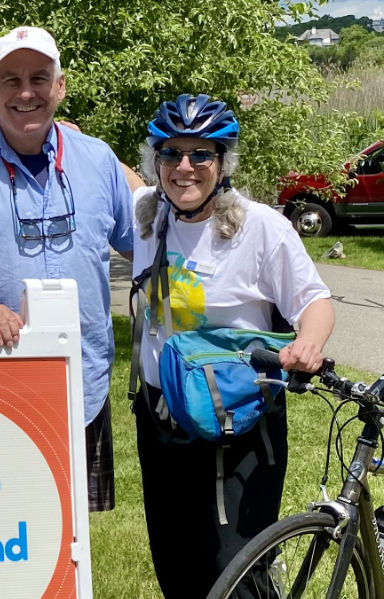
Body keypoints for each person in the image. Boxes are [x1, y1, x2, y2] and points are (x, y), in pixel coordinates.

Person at [131, 93, 334, 598]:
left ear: (223, 162)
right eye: (172, 152)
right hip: (160, 418)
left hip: (236, 422)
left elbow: (315, 301)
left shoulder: (259, 226)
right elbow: (112, 174)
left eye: (201, 153)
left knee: (234, 571)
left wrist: (309, 341)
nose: (185, 167)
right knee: (176, 566)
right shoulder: (146, 215)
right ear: (154, 160)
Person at [0, 26, 134, 511]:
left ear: (60, 86)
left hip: (83, 375)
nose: (26, 93)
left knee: (73, 530)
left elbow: (139, 242)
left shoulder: (98, 159)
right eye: (10, 79)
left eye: (40, 78)